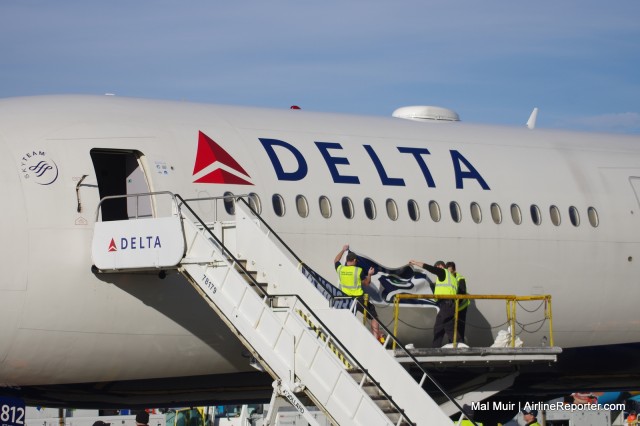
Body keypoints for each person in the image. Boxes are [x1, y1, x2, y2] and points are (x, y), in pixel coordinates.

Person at [335, 244, 383, 342]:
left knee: (347, 319)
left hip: (346, 300)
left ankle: (344, 339)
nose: (356, 262)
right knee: (374, 317)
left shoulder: (340, 269)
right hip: (359, 299)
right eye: (356, 260)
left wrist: (343, 250)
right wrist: (369, 274)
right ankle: (375, 339)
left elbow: (336, 260)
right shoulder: (358, 270)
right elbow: (366, 283)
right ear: (354, 261)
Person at [409, 259, 458, 347]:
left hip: (446, 304)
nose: (436, 269)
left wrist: (415, 263)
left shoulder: (443, 272)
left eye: (437, 267)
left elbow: (429, 268)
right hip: (445, 305)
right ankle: (435, 348)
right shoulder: (451, 277)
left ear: (440, 266)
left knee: (448, 327)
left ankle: (459, 345)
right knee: (438, 327)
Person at [447, 261, 469, 344]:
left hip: (461, 307)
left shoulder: (459, 278)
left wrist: (455, 304)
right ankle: (451, 344)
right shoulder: (448, 278)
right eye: (448, 271)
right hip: (453, 307)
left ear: (454, 270)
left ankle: (460, 344)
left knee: (459, 327)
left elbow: (462, 292)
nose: (450, 273)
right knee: (451, 327)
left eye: (451, 271)